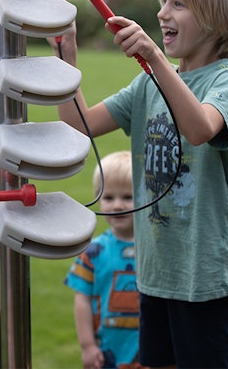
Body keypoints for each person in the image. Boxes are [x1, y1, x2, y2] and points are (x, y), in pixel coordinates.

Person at [51, 0, 228, 368]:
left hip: (206, 280)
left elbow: (200, 129)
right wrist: (65, 58)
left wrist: (156, 58)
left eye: (178, 4)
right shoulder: (146, 84)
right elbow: (79, 125)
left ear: (217, 18)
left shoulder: (227, 80)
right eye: (163, 2)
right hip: (155, 274)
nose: (162, 13)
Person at [64, 151, 144, 369]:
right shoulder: (93, 252)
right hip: (107, 351)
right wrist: (88, 346)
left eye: (127, 197)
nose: (117, 205)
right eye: (108, 197)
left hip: (151, 350)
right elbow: (82, 299)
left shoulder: (156, 250)